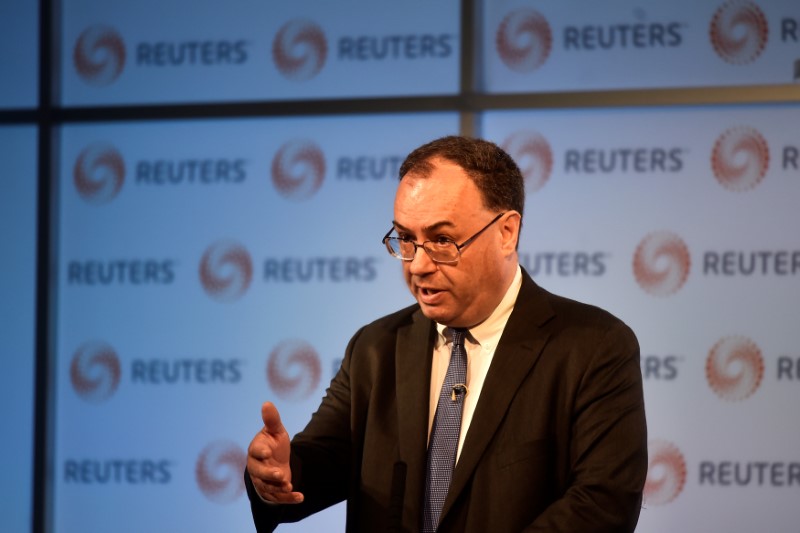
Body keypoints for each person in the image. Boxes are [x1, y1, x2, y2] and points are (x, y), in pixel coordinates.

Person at [245, 136, 647, 532]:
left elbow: (602, 504)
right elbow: (323, 462)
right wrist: (280, 473)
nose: (417, 265)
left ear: (506, 232)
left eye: (441, 240)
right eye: (405, 239)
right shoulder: (376, 347)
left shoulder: (593, 346)